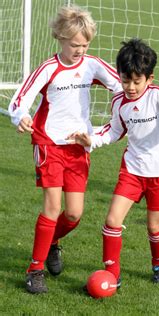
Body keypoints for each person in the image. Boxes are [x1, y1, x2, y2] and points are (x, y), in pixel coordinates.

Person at [7, 5, 122, 294]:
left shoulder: (92, 65)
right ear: (60, 38)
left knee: (73, 214)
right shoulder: (49, 68)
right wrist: (20, 116)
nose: (80, 50)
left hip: (77, 147)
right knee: (53, 206)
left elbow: (121, 86)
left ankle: (53, 243)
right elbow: (21, 98)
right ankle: (35, 269)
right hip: (48, 144)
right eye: (74, 45)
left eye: (84, 45)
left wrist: (135, 104)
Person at [70, 38, 159, 287]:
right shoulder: (119, 102)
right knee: (112, 220)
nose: (131, 87)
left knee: (154, 224)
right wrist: (90, 140)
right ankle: (111, 274)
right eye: (126, 81)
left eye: (137, 81)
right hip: (132, 170)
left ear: (150, 78)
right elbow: (115, 131)